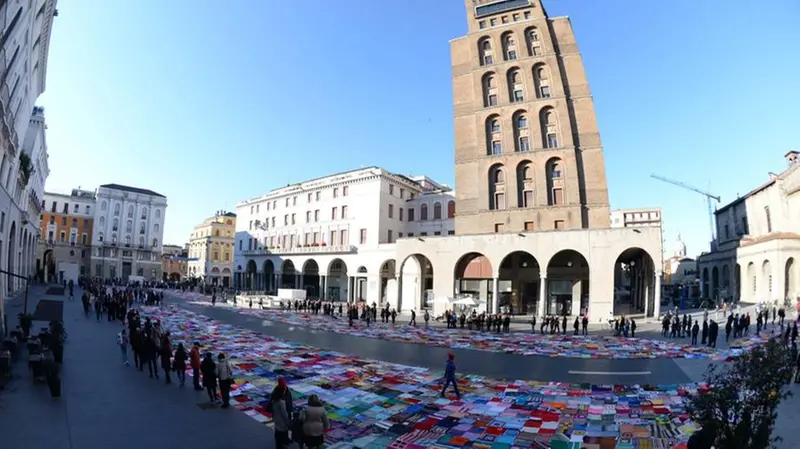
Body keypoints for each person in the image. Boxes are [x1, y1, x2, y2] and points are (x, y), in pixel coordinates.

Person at [270, 384, 292, 448]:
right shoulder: (281, 402)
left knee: (277, 434)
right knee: (281, 434)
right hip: (282, 421)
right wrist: (288, 422)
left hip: (276, 419)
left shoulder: (274, 400)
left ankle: (278, 446)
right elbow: (284, 414)